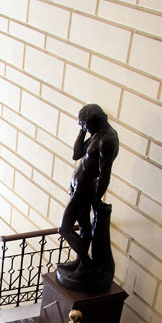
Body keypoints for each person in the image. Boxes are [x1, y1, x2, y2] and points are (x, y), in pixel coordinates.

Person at [59, 104, 119, 278]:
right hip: (78, 188)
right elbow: (77, 154)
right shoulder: (96, 136)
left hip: (84, 191)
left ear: (94, 121)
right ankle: (80, 262)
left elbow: (104, 175)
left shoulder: (107, 140)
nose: (83, 128)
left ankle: (86, 263)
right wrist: (82, 131)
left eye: (84, 124)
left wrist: (97, 199)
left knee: (64, 228)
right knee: (84, 227)